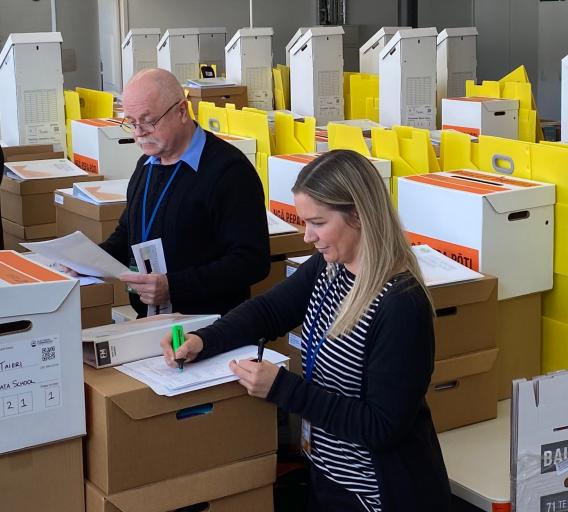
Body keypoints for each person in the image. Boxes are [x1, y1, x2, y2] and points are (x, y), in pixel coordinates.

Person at [161, 150, 451, 511]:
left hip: (374, 496)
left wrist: (283, 389)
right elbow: (267, 311)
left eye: (317, 223)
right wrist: (204, 339)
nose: (307, 237)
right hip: (327, 476)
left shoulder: (400, 304)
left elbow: (382, 426)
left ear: (358, 215)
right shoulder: (328, 268)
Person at [100, 68, 270, 317]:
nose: (138, 133)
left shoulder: (229, 171)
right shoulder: (146, 166)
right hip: (153, 319)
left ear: (181, 111)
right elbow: (129, 231)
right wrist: (87, 260)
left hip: (209, 327)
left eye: (148, 121)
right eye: (131, 123)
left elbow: (252, 261)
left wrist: (173, 286)